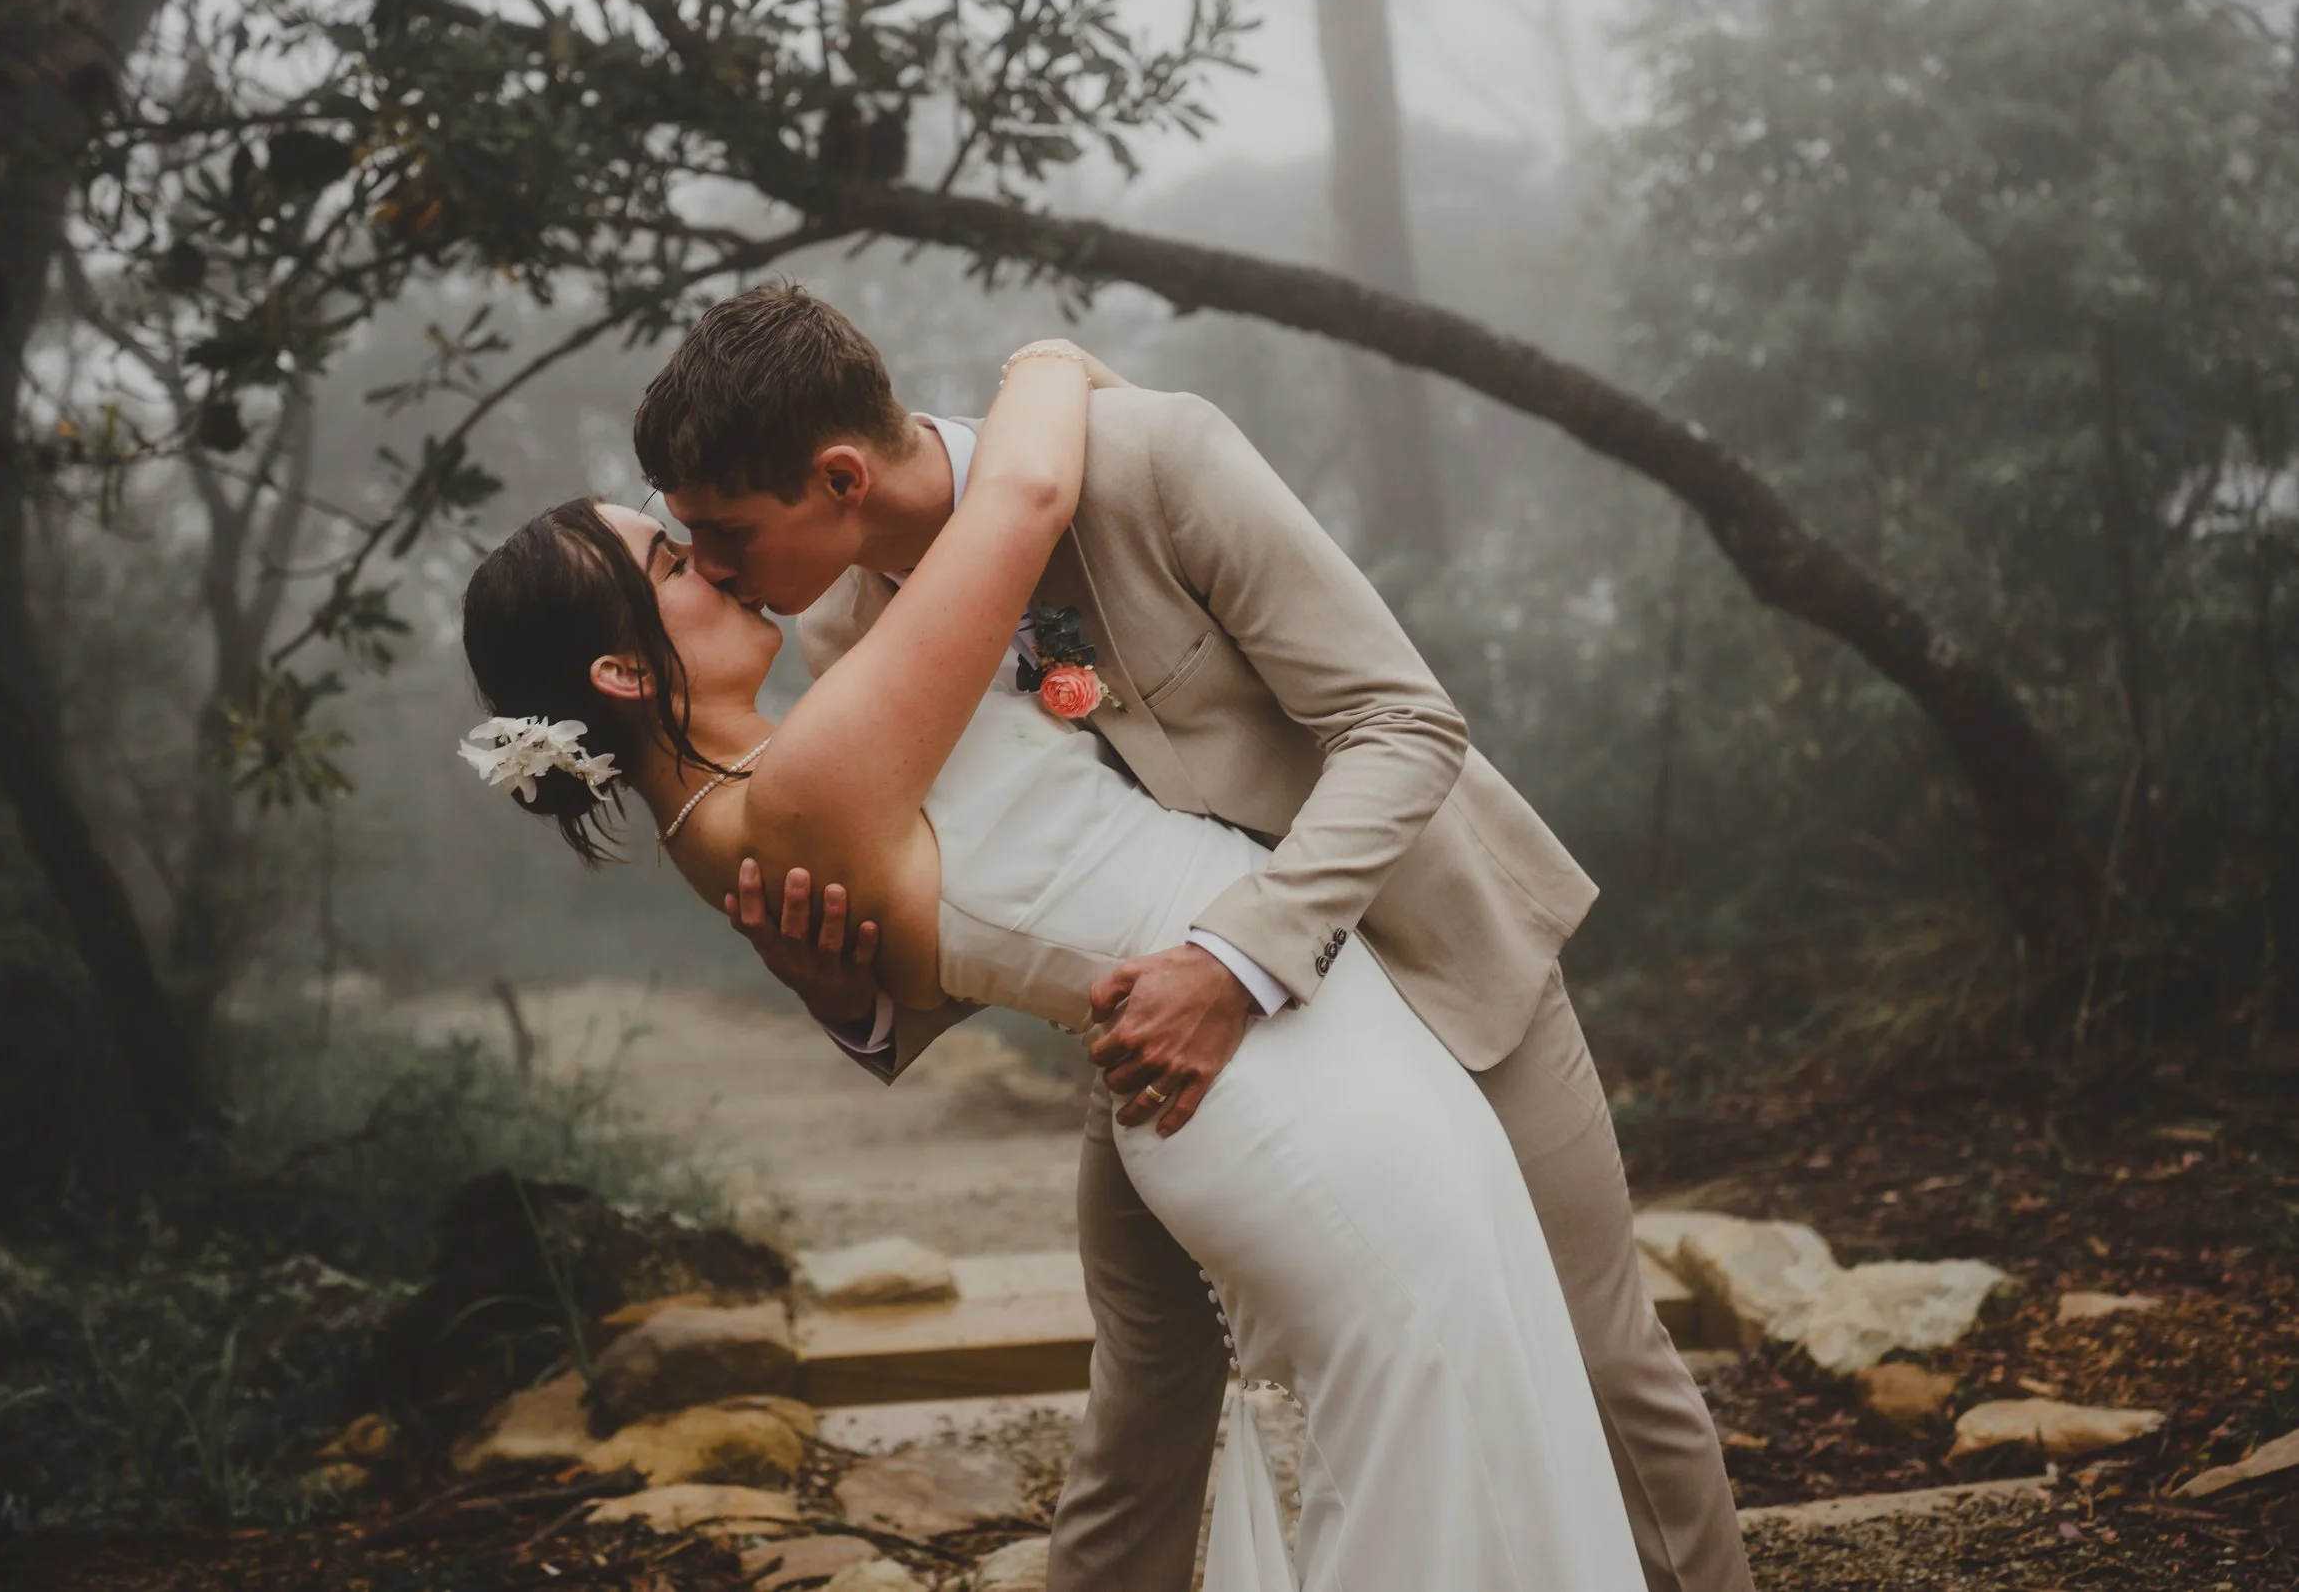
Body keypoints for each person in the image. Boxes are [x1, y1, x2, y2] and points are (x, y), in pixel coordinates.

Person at [460, 329, 1650, 1588]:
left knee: (1497, 1382)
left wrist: (850, 986)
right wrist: (1046, 356)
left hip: (1325, 995)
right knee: (1428, 1401)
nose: (709, 560)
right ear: (620, 669)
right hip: (1231, 1060)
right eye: (673, 555)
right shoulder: (811, 765)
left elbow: (971, 899)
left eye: (707, 531)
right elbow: (1023, 498)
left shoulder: (763, 785)